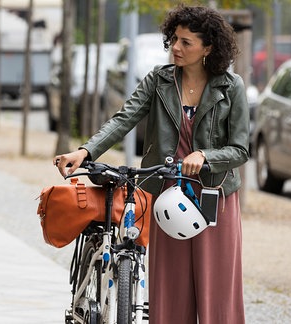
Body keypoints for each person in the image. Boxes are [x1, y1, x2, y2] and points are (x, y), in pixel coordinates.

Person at [54, 5, 249, 324]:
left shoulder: (231, 86)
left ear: (208, 47)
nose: (176, 47)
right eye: (174, 39)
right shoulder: (159, 81)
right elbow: (123, 118)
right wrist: (86, 152)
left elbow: (240, 149)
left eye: (186, 42)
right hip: (168, 194)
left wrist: (206, 156)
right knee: (169, 290)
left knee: (218, 294)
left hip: (215, 197)